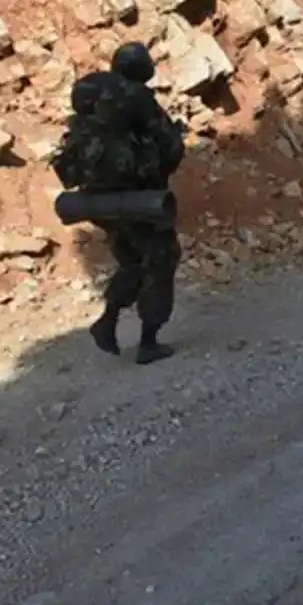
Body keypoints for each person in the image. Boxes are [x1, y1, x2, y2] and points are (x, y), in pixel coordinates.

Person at [51, 43, 185, 365]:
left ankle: (108, 320)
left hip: (101, 199)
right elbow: (168, 147)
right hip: (138, 196)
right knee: (161, 258)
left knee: (133, 261)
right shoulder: (137, 96)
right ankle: (148, 341)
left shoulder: (94, 94)